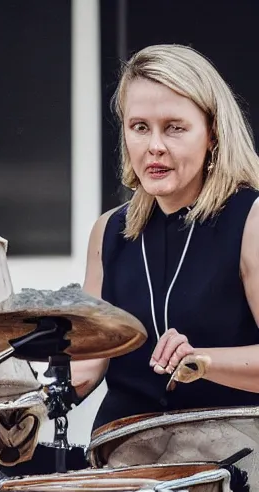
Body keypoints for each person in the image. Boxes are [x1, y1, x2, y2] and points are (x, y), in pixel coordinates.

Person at [72, 44, 259, 432]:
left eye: (174, 127)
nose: (154, 146)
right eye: (140, 127)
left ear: (212, 134)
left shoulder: (251, 218)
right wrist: (15, 403)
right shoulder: (109, 231)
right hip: (123, 458)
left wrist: (202, 361)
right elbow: (88, 364)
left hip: (229, 461)